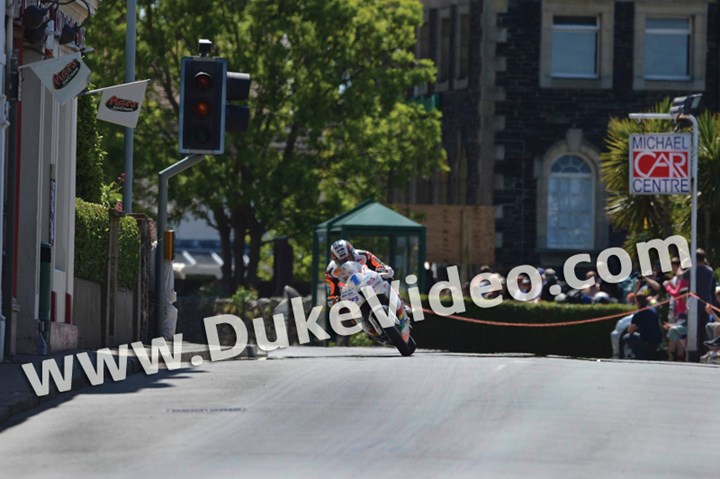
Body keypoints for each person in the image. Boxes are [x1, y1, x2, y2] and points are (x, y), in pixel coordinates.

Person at [324, 239, 394, 307]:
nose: (347, 262)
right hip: (350, 293)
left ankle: (399, 303)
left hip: (370, 282)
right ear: (336, 261)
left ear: (352, 252)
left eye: (349, 257)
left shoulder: (364, 255)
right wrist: (333, 299)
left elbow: (379, 264)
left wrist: (383, 268)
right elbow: (331, 293)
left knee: (388, 279)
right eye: (342, 261)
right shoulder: (331, 271)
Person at [684, 249, 716, 357]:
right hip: (706, 304)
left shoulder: (692, 270)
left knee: (694, 330)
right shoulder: (709, 270)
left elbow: (681, 276)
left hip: (694, 305)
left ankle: (693, 353)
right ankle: (703, 352)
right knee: (704, 330)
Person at [625, 292, 663, 360]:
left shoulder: (638, 314)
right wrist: (651, 300)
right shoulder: (653, 309)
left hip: (648, 342)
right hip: (657, 342)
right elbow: (658, 305)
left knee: (627, 337)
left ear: (637, 302)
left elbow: (630, 331)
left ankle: (640, 355)